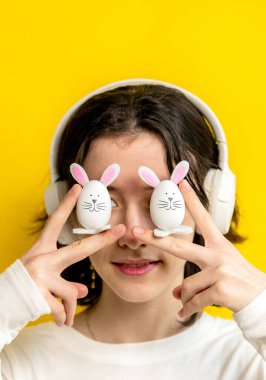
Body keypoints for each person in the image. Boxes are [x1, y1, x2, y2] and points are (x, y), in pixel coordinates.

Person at [0, 79, 265, 380]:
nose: (133, 235)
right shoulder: (20, 363)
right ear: (67, 213)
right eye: (104, 201)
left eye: (163, 201)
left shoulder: (249, 360)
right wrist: (7, 301)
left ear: (214, 206)